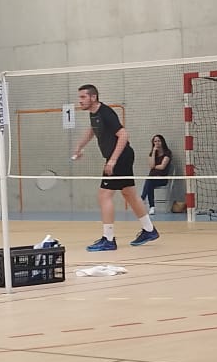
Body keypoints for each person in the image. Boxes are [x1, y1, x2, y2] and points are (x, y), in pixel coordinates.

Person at [72, 84, 158, 251]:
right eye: (79, 97)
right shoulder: (94, 113)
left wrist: (112, 160)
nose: (80, 101)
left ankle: (108, 239)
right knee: (129, 194)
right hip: (122, 157)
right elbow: (93, 130)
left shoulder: (106, 113)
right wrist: (79, 146)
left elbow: (123, 135)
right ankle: (149, 230)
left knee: (104, 195)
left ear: (93, 97)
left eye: (83, 97)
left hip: (120, 157)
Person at [141, 133, 174, 212]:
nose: (157, 143)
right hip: (152, 178)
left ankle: (143, 199)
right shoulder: (152, 154)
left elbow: (162, 166)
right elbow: (151, 165)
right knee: (150, 183)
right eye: (155, 141)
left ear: (162, 142)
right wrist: (153, 152)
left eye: (159, 141)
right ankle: (151, 207)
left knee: (149, 182)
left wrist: (154, 166)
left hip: (162, 178)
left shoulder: (167, 153)